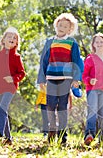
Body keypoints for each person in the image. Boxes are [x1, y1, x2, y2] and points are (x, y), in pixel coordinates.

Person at [37, 13, 83, 144]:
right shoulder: (49, 42)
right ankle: (52, 130)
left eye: (65, 26)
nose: (62, 27)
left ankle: (63, 136)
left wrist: (76, 78)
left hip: (66, 78)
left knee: (62, 106)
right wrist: (41, 79)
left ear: (70, 29)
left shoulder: (72, 42)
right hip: (51, 77)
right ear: (56, 26)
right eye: (60, 25)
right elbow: (43, 61)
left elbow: (77, 61)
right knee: (50, 105)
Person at [82, 32, 103, 146]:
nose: (99, 44)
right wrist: (89, 80)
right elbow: (84, 75)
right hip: (92, 90)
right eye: (96, 42)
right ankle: (89, 135)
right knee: (92, 113)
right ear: (93, 44)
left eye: (101, 42)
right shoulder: (90, 58)